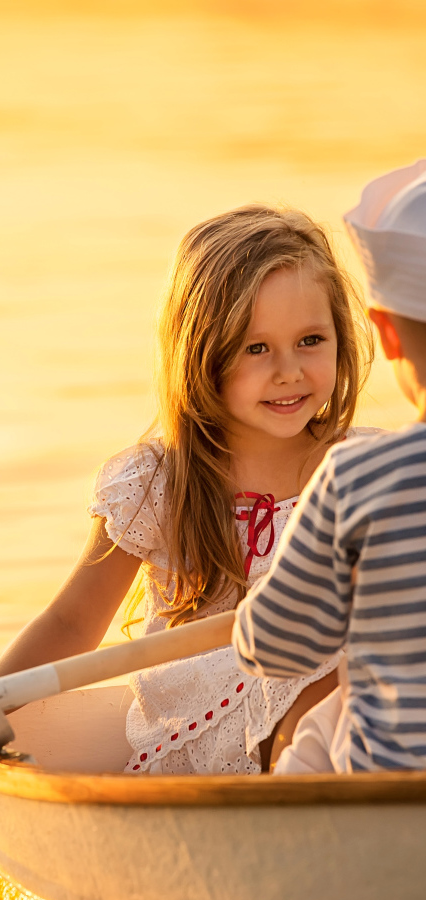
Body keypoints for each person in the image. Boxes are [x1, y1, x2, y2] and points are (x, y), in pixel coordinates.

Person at [0, 204, 373, 774]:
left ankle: (369, 824)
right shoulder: (159, 484)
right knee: (329, 685)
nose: (289, 370)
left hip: (340, 709)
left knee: (368, 666)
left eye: (310, 340)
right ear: (202, 355)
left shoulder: (365, 468)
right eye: (256, 348)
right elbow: (72, 622)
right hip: (208, 719)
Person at [232, 160, 426, 774]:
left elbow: (275, 645)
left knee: (321, 731)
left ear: (384, 335)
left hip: (387, 797)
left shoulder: (358, 478)